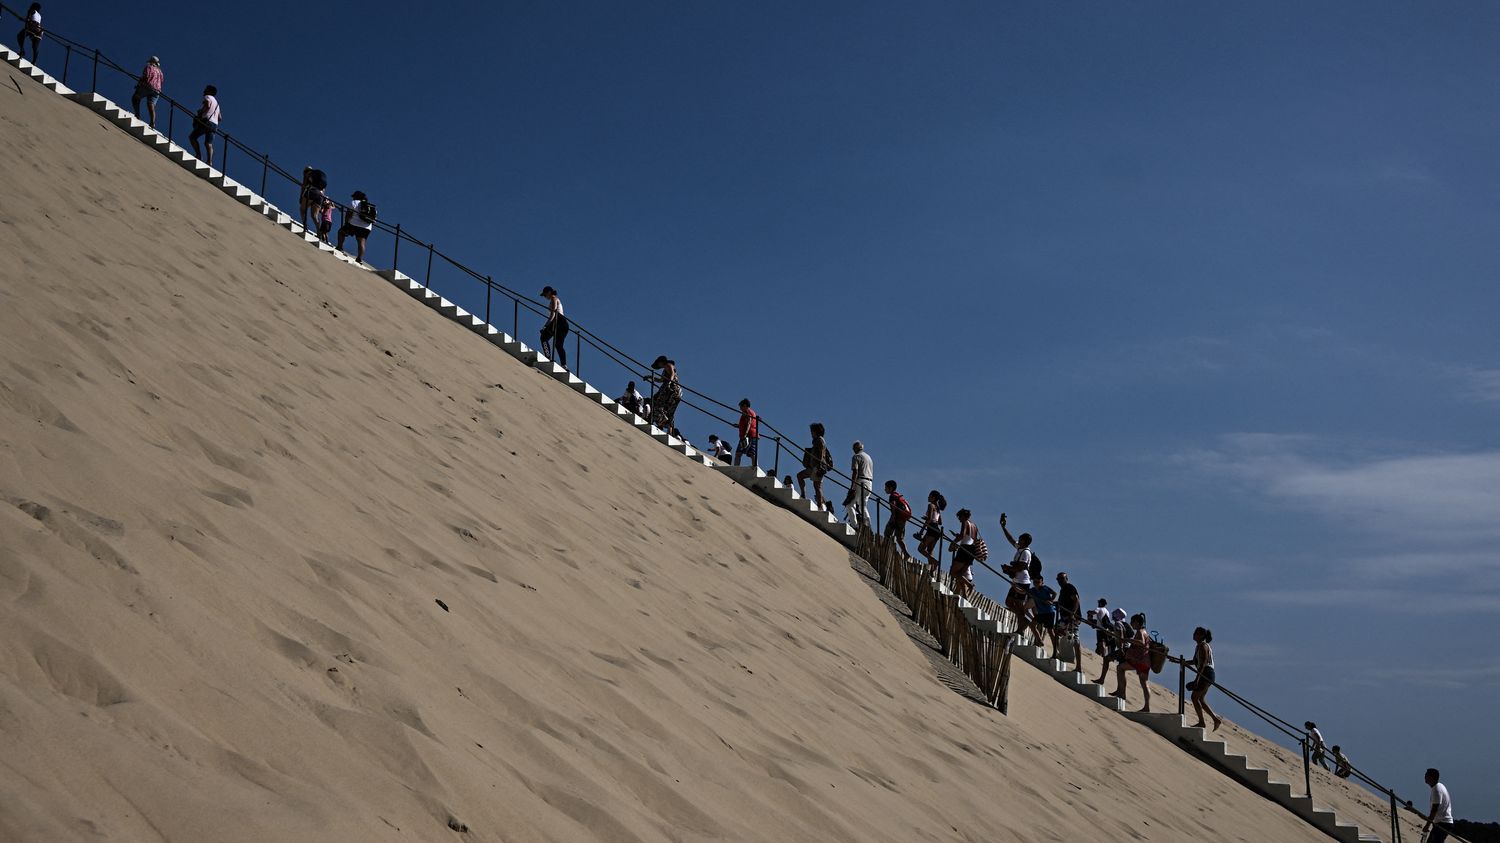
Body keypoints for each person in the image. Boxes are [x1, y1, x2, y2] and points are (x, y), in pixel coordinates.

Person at [1113, 613, 1152, 711]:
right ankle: (1147, 706)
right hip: (1146, 662)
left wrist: (1127, 639)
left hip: (1138, 661)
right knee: (1144, 683)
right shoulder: (1145, 631)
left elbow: (1141, 642)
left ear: (1137, 623)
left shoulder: (1140, 631)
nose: (1131, 624)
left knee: (1120, 668)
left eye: (1132, 622)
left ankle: (1122, 693)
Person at [1187, 626, 1223, 731]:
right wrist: (1183, 662)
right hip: (1207, 673)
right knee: (1200, 699)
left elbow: (1203, 664)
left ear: (1201, 635)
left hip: (1206, 673)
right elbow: (1196, 662)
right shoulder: (1199, 646)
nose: (1193, 634)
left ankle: (1202, 722)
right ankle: (1215, 719)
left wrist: (1196, 680)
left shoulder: (1203, 646)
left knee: (1194, 697)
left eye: (1196, 633)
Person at [795, 422, 832, 509]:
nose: (811, 433)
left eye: (812, 431)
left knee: (817, 486)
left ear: (815, 432)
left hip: (817, 467)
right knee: (800, 476)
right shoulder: (817, 441)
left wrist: (819, 467)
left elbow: (821, 454)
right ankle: (804, 495)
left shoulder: (819, 440)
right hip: (813, 467)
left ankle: (820, 506)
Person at [337, 191, 375, 263]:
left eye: (353, 196)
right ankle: (359, 258)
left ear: (356, 197)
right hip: (367, 227)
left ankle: (339, 247)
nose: (353, 197)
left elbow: (349, 214)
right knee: (361, 242)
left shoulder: (354, 202)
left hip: (354, 224)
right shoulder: (369, 206)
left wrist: (346, 223)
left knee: (341, 232)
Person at [188, 85, 222, 166]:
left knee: (192, 137)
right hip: (214, 124)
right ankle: (209, 161)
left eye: (206, 90)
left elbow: (207, 105)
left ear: (210, 91)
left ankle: (199, 155)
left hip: (206, 122)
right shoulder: (217, 103)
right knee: (208, 143)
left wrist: (200, 112)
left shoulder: (208, 97)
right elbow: (220, 118)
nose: (204, 91)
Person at [948, 509, 979, 597]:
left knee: (953, 572)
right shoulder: (974, 525)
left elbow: (962, 535)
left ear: (963, 516)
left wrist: (953, 542)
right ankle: (965, 595)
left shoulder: (965, 522)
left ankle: (969, 585)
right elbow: (972, 538)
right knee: (960, 575)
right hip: (972, 550)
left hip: (965, 548)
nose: (959, 519)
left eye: (959, 517)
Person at [1094, 607, 1130, 684]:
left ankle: (1102, 680)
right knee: (1121, 670)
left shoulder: (1118, 624)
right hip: (1126, 648)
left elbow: (1120, 637)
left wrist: (1120, 649)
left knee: (1106, 659)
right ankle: (1120, 690)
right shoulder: (1122, 624)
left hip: (1123, 648)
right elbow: (1118, 635)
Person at [915, 490, 946, 575]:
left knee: (920, 549)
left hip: (931, 529)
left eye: (929, 496)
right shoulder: (938, 508)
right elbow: (940, 522)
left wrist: (921, 532)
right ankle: (931, 570)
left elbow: (929, 520)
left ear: (933, 497)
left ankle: (935, 562)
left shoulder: (930, 505)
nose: (928, 497)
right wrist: (930, 518)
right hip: (937, 531)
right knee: (929, 551)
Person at [1055, 572, 1082, 666]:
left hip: (1071, 618)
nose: (1060, 581)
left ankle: (1078, 666)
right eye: (1058, 579)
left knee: (1074, 640)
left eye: (1062, 578)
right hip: (1065, 618)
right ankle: (1060, 654)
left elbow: (1076, 600)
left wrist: (1072, 614)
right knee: (1058, 633)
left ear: (1066, 579)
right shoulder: (1063, 590)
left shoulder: (1069, 587)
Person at [538, 286, 569, 367]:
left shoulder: (553, 298)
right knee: (558, 345)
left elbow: (553, 314)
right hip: (564, 324)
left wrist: (545, 326)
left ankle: (548, 357)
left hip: (558, 320)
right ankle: (564, 365)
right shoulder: (556, 299)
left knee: (543, 338)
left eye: (545, 295)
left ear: (549, 292)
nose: (545, 297)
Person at [1421, 768, 1455, 843]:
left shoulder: (1436, 790)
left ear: (1431, 777)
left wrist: (1427, 825)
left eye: (1426, 775)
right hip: (1441, 823)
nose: (1425, 777)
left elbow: (1434, 810)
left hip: (1443, 823)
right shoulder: (1438, 786)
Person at [647, 356, 680, 430]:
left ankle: (662, 420)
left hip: (670, 389)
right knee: (668, 409)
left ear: (661, 362)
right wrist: (650, 377)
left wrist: (669, 383)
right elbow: (660, 380)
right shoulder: (665, 369)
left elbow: (672, 374)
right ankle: (667, 425)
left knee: (656, 402)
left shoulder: (668, 365)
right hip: (674, 391)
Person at [131, 56, 164, 128]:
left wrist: (139, 84)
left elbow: (146, 76)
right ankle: (152, 122)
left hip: (148, 86)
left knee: (136, 97)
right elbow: (162, 81)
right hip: (157, 90)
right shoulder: (160, 71)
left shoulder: (149, 67)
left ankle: (137, 114)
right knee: (151, 105)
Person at [882, 480, 912, 558]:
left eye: (886, 488)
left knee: (887, 534)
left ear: (890, 488)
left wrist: (893, 519)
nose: (885, 489)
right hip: (903, 519)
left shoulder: (892, 496)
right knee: (899, 538)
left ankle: (885, 549)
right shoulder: (898, 496)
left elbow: (893, 507)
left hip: (896, 518)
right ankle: (906, 553)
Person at [847, 441, 873, 529]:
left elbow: (855, 472)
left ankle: (855, 526)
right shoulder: (868, 457)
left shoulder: (856, 456)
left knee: (850, 504)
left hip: (861, 481)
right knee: (863, 506)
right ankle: (868, 526)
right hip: (869, 483)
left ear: (855, 448)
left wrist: (852, 487)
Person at [1029, 579, 1058, 656]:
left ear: (1042, 582)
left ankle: (1056, 650)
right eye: (1035, 582)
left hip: (1049, 612)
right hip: (1041, 613)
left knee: (1050, 631)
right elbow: (1024, 591)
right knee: (1032, 625)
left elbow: (1054, 593)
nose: (1036, 584)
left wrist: (1051, 600)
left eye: (1038, 582)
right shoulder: (1032, 590)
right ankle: (1039, 640)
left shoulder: (1045, 588)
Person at [734, 399, 759, 467]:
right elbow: (748, 423)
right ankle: (755, 467)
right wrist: (738, 426)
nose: (740, 409)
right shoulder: (751, 412)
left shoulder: (747, 412)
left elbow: (749, 423)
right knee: (751, 453)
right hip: (751, 434)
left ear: (744, 405)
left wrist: (745, 435)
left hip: (748, 435)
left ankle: (736, 467)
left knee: (739, 453)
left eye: (741, 407)